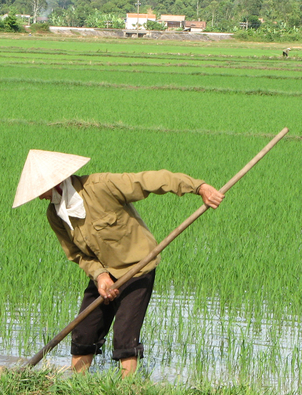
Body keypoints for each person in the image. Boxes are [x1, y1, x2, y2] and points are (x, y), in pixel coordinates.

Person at [12, 149, 224, 376]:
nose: (39, 196)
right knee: (84, 332)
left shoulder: (102, 186)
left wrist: (199, 187)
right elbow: (76, 254)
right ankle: (76, 388)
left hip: (137, 269)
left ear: (53, 183)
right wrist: (100, 276)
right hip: (104, 273)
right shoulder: (55, 214)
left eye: (39, 190)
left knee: (125, 337)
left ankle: (125, 393)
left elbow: (154, 180)